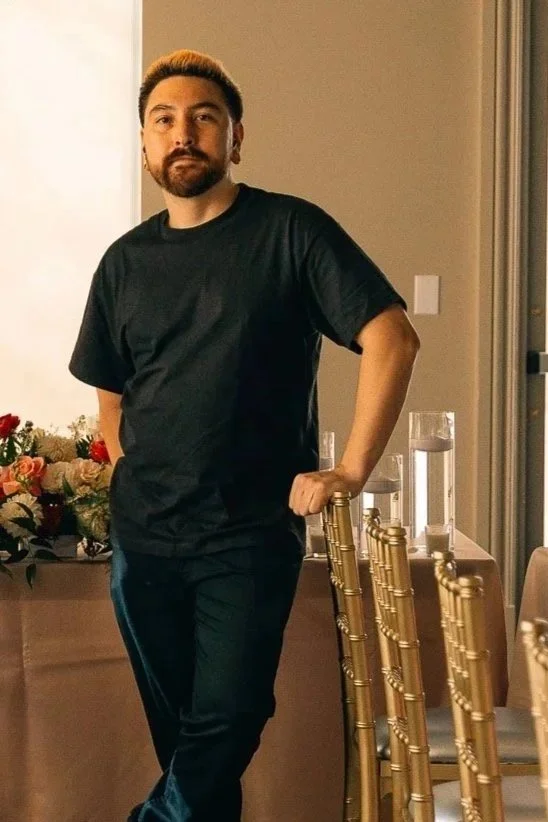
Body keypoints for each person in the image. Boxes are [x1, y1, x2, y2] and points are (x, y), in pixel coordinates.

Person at [69, 48, 420, 822]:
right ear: (144, 144)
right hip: (146, 545)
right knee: (191, 749)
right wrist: (138, 478)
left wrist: (351, 472)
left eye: (204, 117)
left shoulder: (290, 231)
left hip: (248, 536)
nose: (183, 133)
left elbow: (392, 336)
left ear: (236, 138)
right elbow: (111, 398)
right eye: (164, 120)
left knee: (227, 718)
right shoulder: (123, 265)